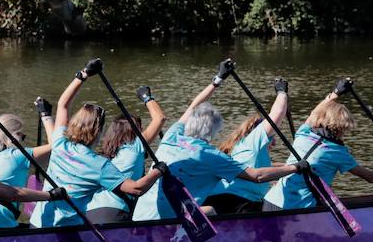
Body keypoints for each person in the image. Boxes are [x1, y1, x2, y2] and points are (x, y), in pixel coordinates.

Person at [133, 63, 301, 222]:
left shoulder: (172, 135)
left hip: (141, 217)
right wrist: (296, 167)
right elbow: (257, 176)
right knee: (211, 212)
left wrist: (217, 80)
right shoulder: (211, 156)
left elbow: (193, 106)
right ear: (213, 132)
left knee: (209, 208)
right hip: (174, 222)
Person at [35, 60, 163, 228]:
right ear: (99, 131)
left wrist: (83, 75)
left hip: (39, 221)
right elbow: (136, 189)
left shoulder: (60, 143)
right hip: (69, 229)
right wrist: (158, 170)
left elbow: (63, 105)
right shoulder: (99, 164)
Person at [263, 91, 373, 211]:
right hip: (298, 208)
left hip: (272, 200)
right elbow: (371, 177)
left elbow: (314, 112)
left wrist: (335, 92)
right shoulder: (339, 153)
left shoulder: (304, 133)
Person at [84, 85, 166, 223]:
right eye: (139, 128)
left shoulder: (104, 153)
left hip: (90, 212)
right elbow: (160, 118)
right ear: (133, 131)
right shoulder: (135, 145)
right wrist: (147, 98)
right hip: (114, 213)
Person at [210, 77, 291, 213]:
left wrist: (292, 166)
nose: (274, 140)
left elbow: (267, 167)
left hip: (219, 198)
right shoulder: (254, 139)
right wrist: (282, 93)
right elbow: (276, 115)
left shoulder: (239, 147)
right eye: (272, 135)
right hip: (239, 202)